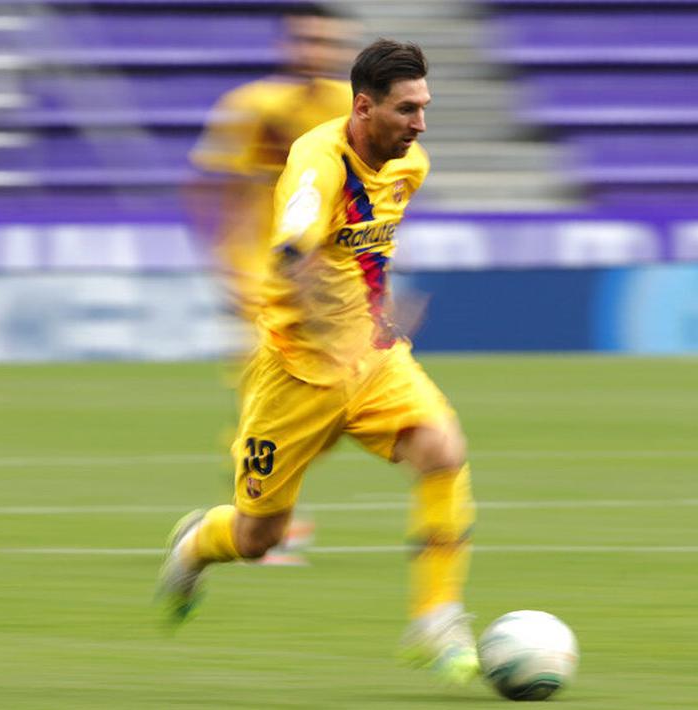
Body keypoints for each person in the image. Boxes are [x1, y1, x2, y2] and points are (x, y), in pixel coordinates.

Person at [158, 39, 481, 685]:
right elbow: (294, 249)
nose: (420, 123)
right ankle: (196, 543)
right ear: (364, 107)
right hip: (295, 374)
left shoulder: (408, 165)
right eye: (407, 109)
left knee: (443, 451)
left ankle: (435, 616)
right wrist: (324, 316)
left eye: (424, 107)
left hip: (373, 360)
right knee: (259, 538)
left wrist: (374, 318)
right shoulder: (315, 160)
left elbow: (363, 254)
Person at [189, 2, 354, 564]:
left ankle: (256, 517)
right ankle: (259, 526)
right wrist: (225, 265)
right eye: (304, 40)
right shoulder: (254, 107)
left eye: (323, 41)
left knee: (333, 407)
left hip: (322, 283)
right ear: (287, 45)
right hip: (262, 280)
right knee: (269, 406)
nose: (313, 51)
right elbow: (214, 189)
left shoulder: (344, 107)